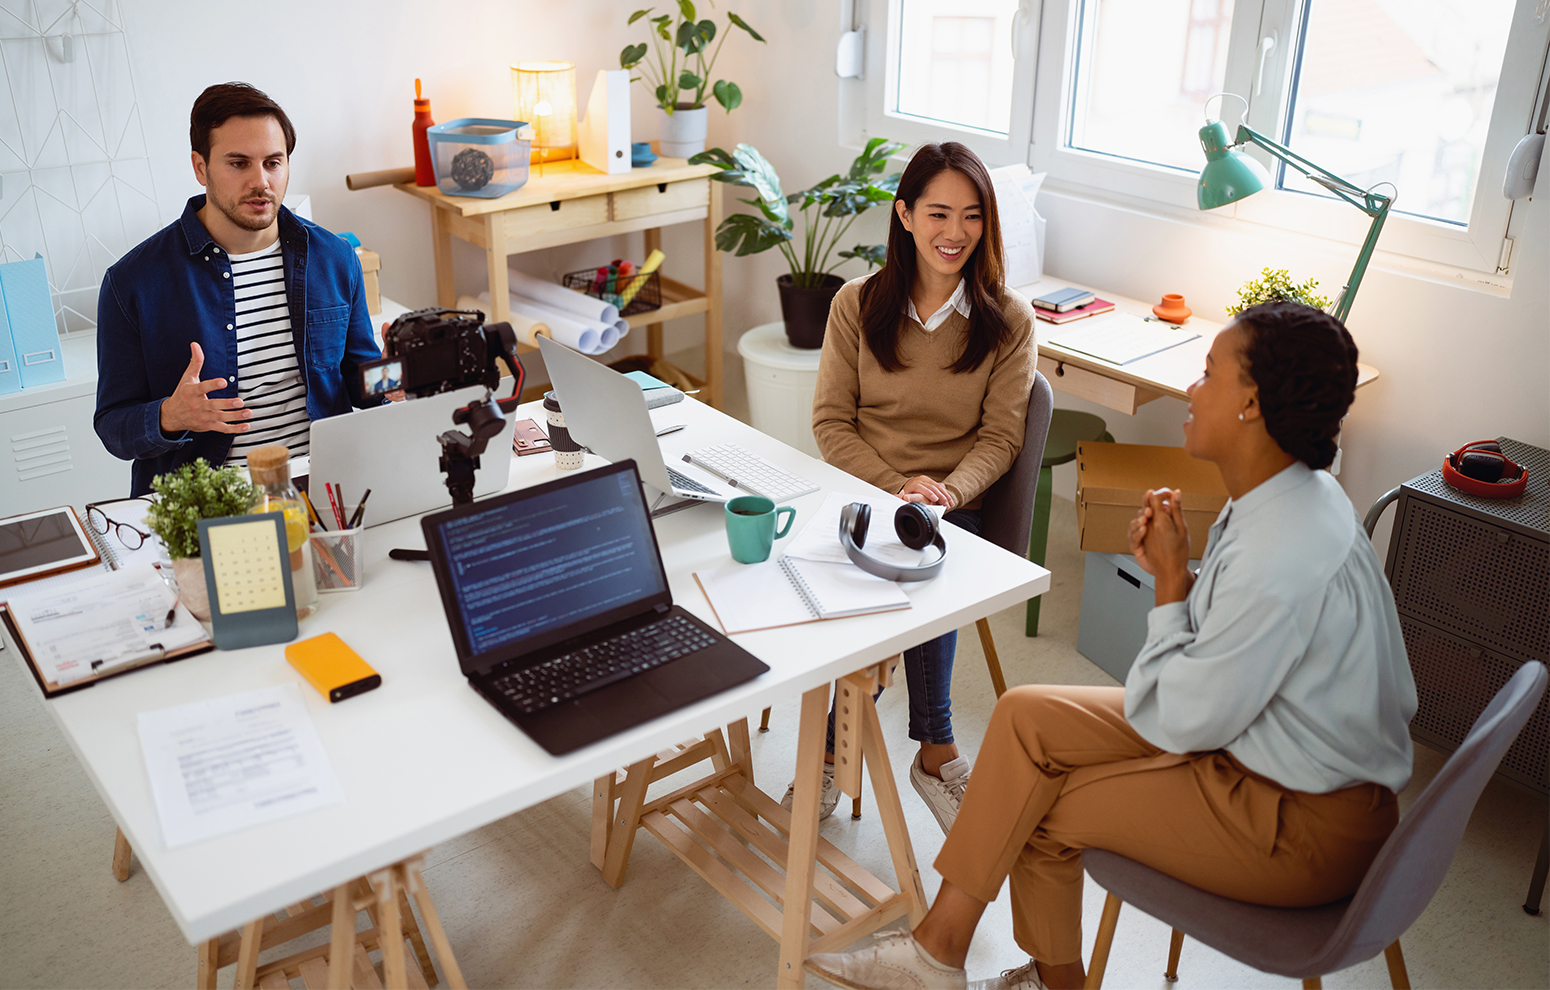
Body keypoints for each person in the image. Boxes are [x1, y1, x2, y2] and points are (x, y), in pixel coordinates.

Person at [805, 301, 1418, 990]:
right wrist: (1182, 580)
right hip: (1259, 743)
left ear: (1251, 403)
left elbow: (1178, 721)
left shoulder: (1280, 551)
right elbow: (1224, 667)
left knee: (1040, 808)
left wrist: (1170, 586)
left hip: (1299, 822)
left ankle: (1019, 974)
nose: (1192, 389)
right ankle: (936, 954)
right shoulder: (1296, 496)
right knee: (1023, 715)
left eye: (1208, 374)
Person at [793, 142, 1037, 832]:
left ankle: (883, 752)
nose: (955, 232)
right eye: (938, 213)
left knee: (922, 557)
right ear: (904, 215)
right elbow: (831, 423)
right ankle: (900, 752)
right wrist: (896, 486)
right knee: (841, 572)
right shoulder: (856, 303)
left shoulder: (1008, 319)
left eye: (972, 216)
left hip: (954, 509)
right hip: (868, 490)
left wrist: (943, 495)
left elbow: (1000, 439)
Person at [95, 82, 383, 495]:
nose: (260, 181)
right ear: (200, 167)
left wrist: (396, 377)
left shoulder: (335, 258)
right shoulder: (132, 282)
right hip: (210, 501)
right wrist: (170, 416)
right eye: (238, 163)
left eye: (273, 163)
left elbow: (361, 382)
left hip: (324, 487)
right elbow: (112, 427)